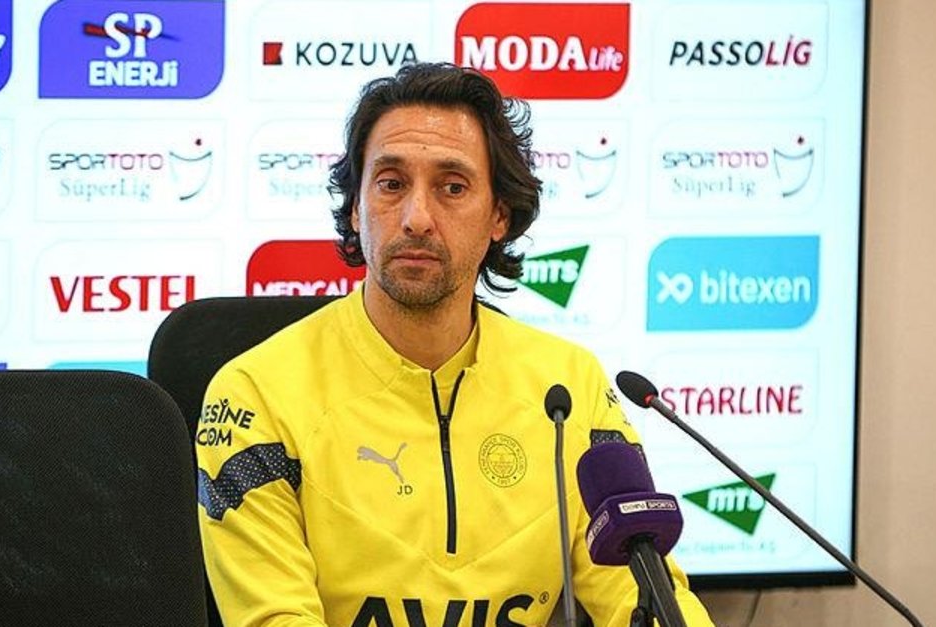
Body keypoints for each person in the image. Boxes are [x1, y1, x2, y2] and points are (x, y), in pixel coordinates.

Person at [196, 62, 713, 627]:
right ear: (356, 208)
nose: (417, 218)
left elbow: (644, 596)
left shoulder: (570, 387)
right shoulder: (257, 393)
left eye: (452, 187)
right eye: (391, 184)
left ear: (499, 215)